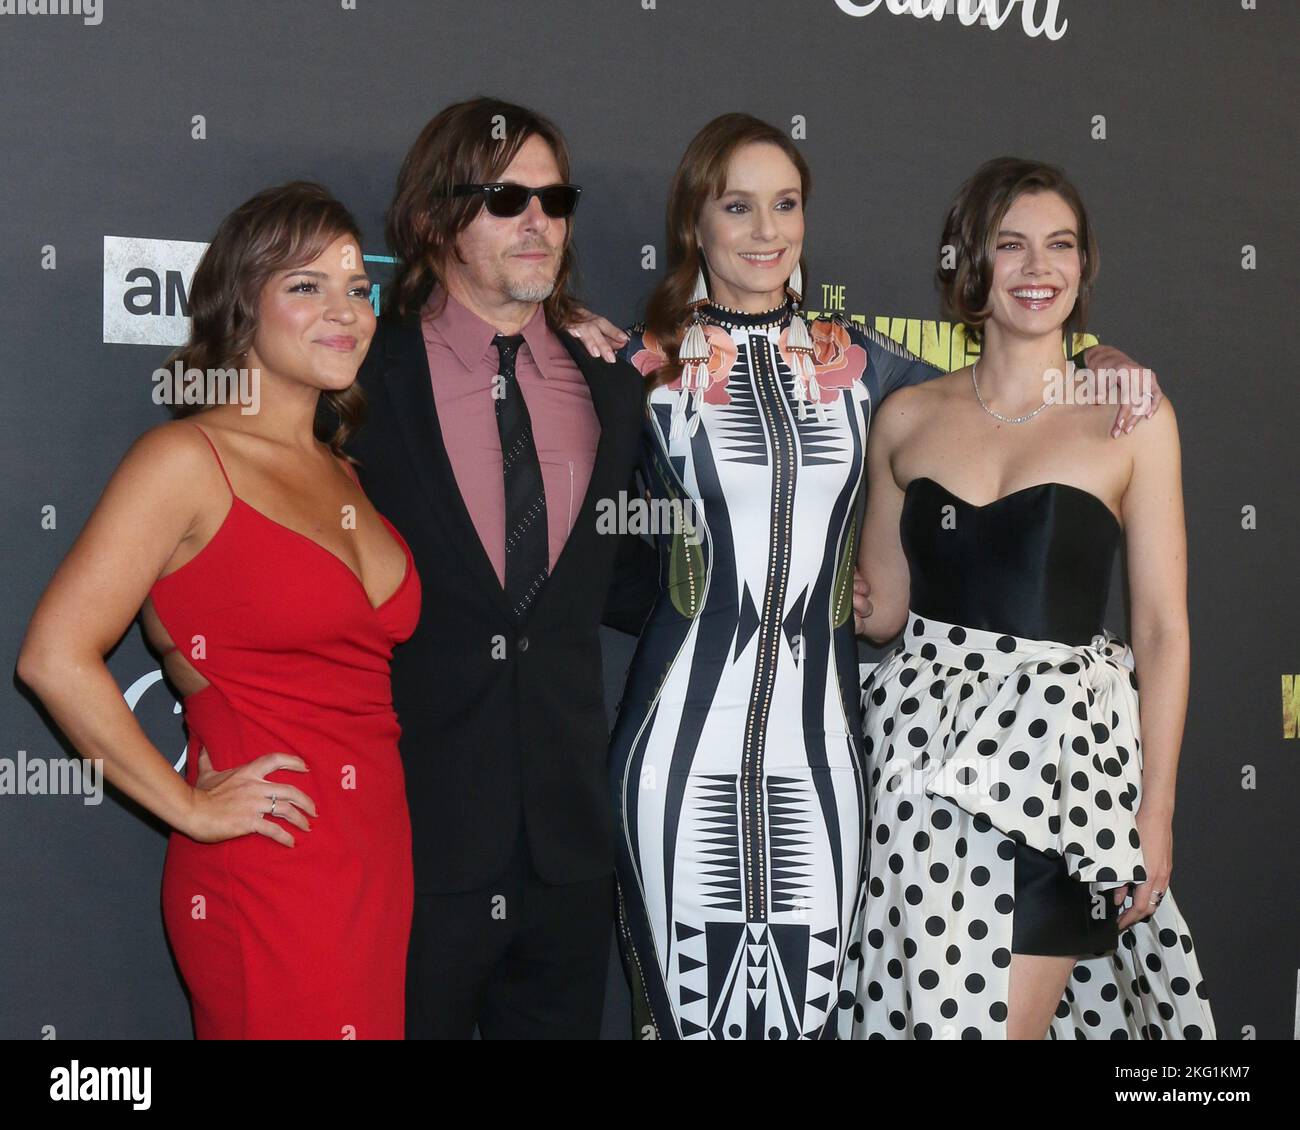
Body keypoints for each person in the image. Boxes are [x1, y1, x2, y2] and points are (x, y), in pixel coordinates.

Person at [568, 116, 1163, 1041]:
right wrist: (553, 321)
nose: (766, 230)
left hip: (826, 762)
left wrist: (1101, 360)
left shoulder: (864, 367)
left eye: (787, 204)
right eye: (738, 206)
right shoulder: (638, 372)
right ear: (696, 222)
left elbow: (1008, 390)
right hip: (674, 755)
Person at [16, 182, 420, 1038]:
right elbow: (53, 656)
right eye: (305, 286)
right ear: (242, 306)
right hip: (268, 867)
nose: (343, 309)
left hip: (374, 858)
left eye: (356, 286)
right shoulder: (184, 460)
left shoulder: (344, 472)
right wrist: (191, 807)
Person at [839, 157, 1215, 1039]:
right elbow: (883, 609)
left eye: (1060, 246)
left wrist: (1153, 812)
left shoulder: (1130, 416)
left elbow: (1162, 628)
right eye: (1011, 246)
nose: (1037, 268)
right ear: (967, 262)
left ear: (1084, 266)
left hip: (1058, 782)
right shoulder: (907, 417)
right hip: (911, 779)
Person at [345, 97, 659, 1039]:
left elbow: (643, 581)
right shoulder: (360, 374)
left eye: (555, 198)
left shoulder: (612, 381)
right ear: (436, 218)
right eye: (505, 197)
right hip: (411, 832)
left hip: (568, 842)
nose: (539, 221)